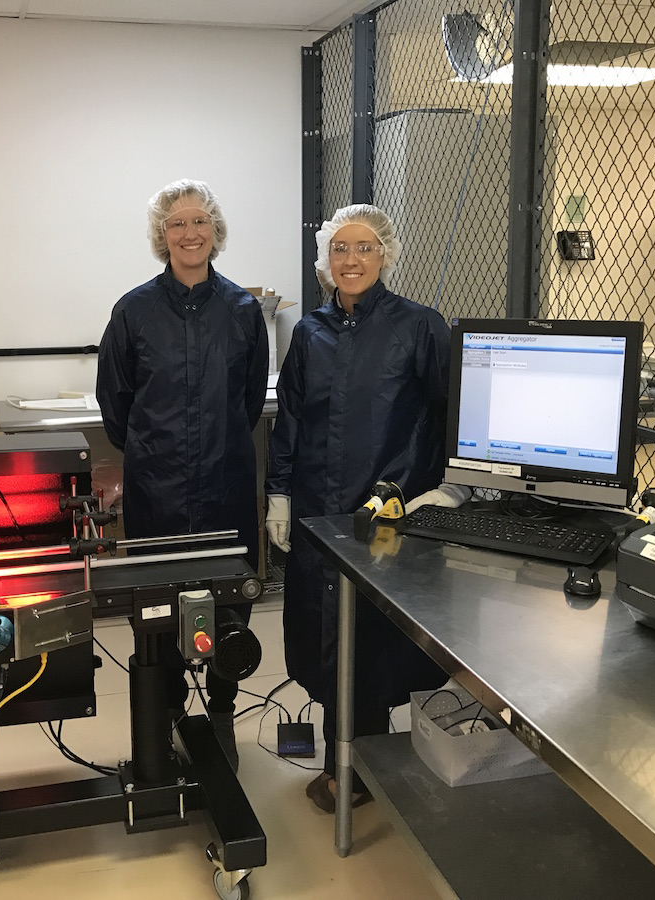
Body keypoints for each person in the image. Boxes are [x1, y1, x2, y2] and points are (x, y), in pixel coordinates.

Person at [264, 203, 468, 811]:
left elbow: (447, 413)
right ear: (326, 260)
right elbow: (293, 420)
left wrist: (445, 486)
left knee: (374, 640)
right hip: (318, 510)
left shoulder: (421, 327)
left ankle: (363, 771)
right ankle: (340, 765)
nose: (351, 260)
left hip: (389, 510)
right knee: (324, 636)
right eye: (340, 249)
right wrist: (278, 492)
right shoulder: (309, 333)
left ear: (386, 255)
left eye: (365, 248)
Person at [96, 179, 269, 772]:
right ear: (161, 236)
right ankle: (166, 717)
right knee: (159, 607)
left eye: (199, 222)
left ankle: (221, 714)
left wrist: (212, 448)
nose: (189, 233)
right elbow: (114, 404)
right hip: (158, 489)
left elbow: (249, 402)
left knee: (229, 607)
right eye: (177, 224)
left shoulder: (243, 311)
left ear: (215, 231)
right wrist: (155, 452)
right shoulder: (134, 311)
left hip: (225, 484)